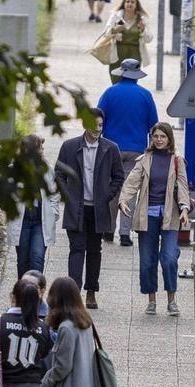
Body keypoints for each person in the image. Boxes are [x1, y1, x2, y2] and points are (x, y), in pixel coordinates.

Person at [119, 122, 192, 316]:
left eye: (163, 136)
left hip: (169, 216)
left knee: (168, 258)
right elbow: (131, 182)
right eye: (156, 136)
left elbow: (183, 186)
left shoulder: (177, 161)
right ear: (151, 138)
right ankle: (151, 301)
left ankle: (171, 300)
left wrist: (184, 208)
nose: (159, 140)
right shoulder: (144, 160)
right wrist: (123, 199)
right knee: (147, 261)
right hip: (147, 216)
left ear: (169, 139)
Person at [56, 108, 125, 311]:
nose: (97, 129)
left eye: (101, 126)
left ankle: (91, 291)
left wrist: (106, 195)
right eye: (94, 125)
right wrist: (67, 194)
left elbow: (118, 176)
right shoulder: (69, 147)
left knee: (94, 250)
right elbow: (58, 172)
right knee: (76, 249)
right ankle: (74, 294)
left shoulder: (110, 148)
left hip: (98, 209)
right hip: (75, 208)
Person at [98, 58, 159, 247]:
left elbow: (98, 118)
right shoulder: (145, 96)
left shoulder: (109, 93)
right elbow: (154, 126)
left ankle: (108, 230)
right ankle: (125, 234)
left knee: (112, 188)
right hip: (136, 150)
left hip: (111, 148)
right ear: (137, 76)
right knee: (130, 190)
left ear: (122, 73)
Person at [9, 135, 61, 278]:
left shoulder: (47, 169)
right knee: (23, 262)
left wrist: (54, 212)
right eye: (40, 148)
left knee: (37, 258)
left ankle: (36, 293)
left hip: (40, 221)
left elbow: (54, 193)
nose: (42, 151)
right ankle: (23, 296)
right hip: (23, 221)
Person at [102, 0, 152, 84]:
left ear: (137, 5)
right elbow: (105, 34)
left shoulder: (141, 19)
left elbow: (149, 39)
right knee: (116, 80)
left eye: (132, 2)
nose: (129, 4)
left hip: (135, 54)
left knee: (131, 81)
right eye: (127, 1)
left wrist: (143, 29)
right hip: (118, 53)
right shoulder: (116, 16)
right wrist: (114, 30)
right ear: (124, 4)